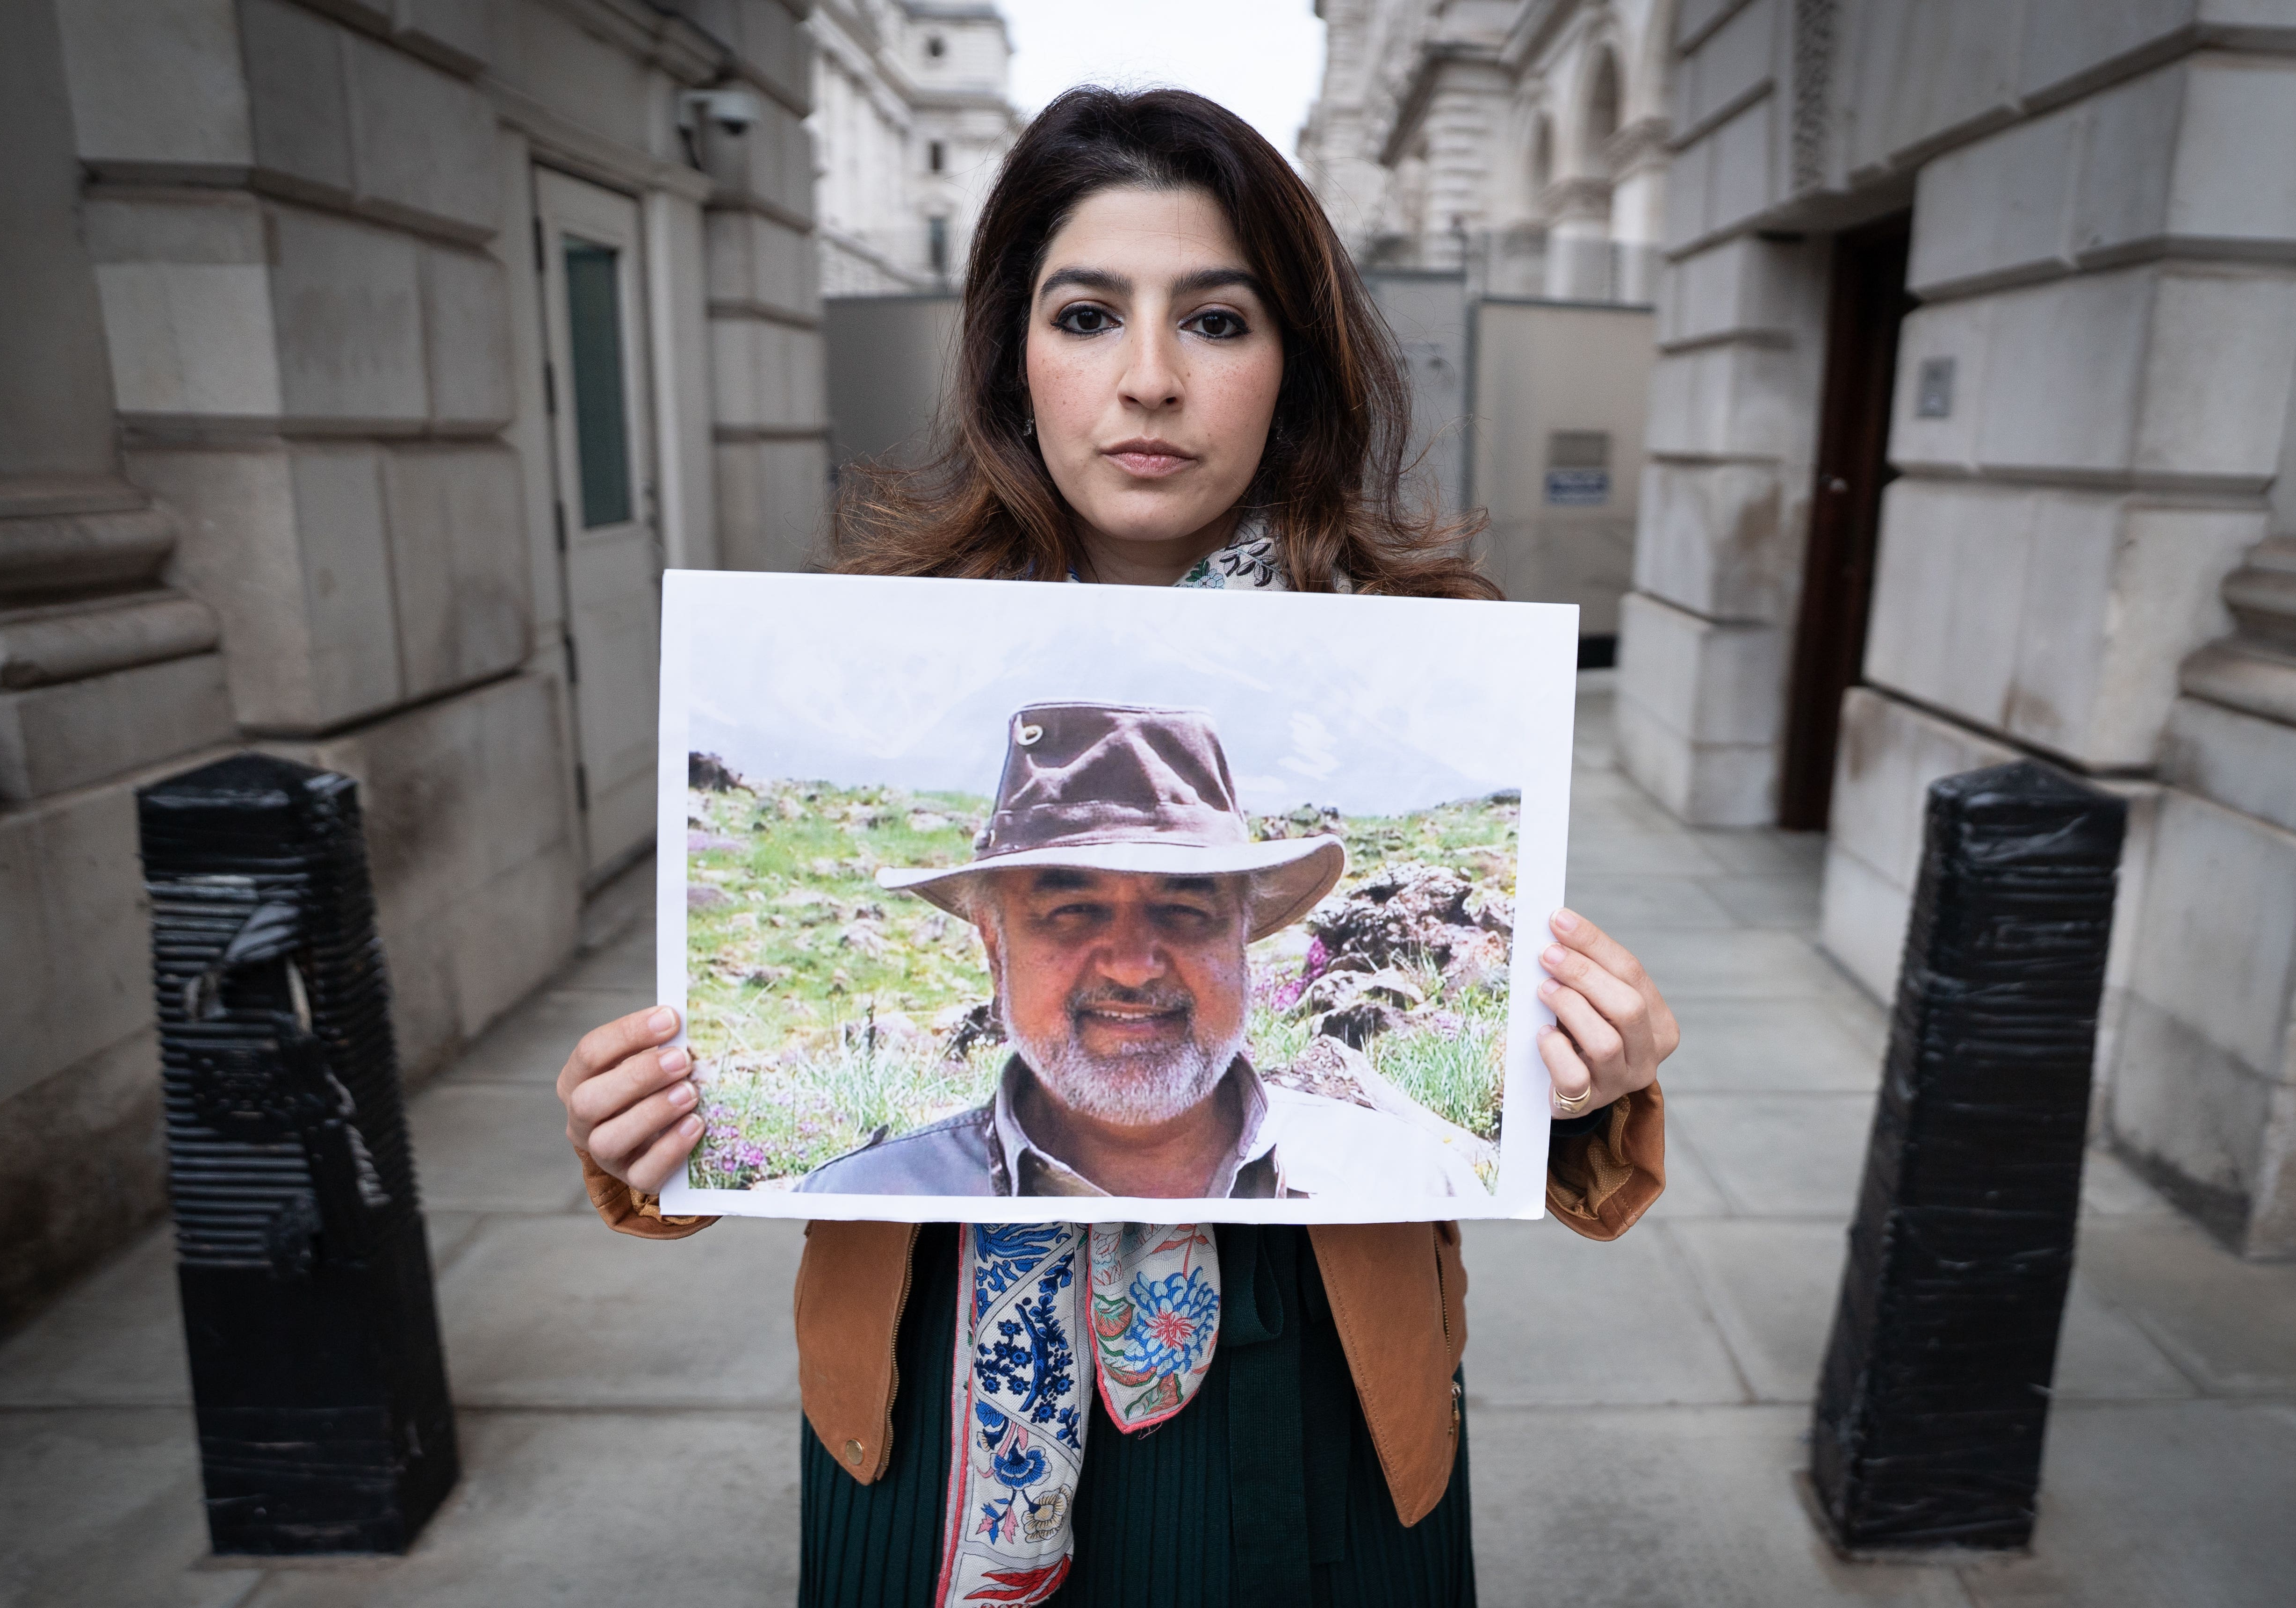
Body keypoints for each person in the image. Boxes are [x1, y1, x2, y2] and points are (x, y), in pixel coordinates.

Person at [558, 88, 1679, 1607]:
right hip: (932, 1416)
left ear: (1289, 365)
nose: (1146, 380)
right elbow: (739, 1117)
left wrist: (1592, 1080)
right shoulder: (871, 647)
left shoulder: (1414, 667)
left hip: (1318, 1405)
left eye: (1214, 322)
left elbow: (1505, 1068)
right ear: (1012, 360)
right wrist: (662, 1130)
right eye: (1087, 315)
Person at [799, 698, 1484, 1200]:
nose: (1132, 965)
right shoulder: (868, 1200)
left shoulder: (1407, 1182)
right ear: (995, 950)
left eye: (1184, 910)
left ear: (1243, 941)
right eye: (1071, 912)